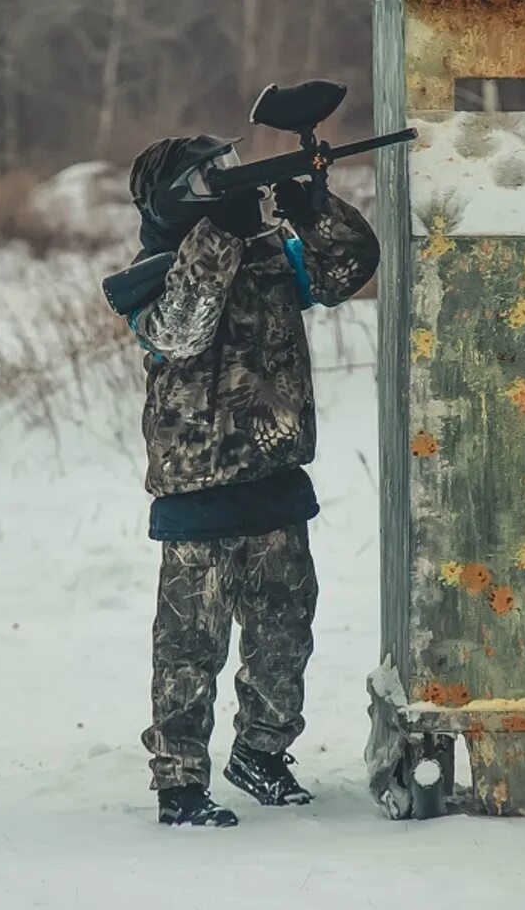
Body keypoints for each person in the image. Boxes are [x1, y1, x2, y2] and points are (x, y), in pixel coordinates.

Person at [125, 135, 380, 827]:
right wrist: (220, 235)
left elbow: (346, 269)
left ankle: (262, 753)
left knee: (284, 632)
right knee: (189, 648)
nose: (231, 183)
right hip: (196, 491)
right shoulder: (152, 272)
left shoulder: (269, 253)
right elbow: (180, 328)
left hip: (271, 473)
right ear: (178, 197)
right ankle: (179, 780)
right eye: (214, 179)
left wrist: (312, 209)